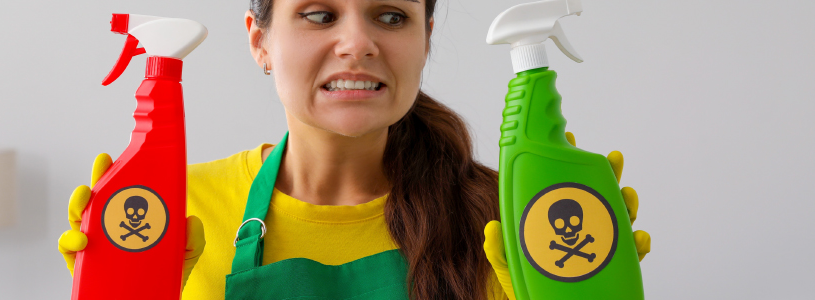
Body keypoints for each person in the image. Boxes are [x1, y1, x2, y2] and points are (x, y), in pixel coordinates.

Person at [58, 0, 651, 299]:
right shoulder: (171, 213)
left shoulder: (507, 219)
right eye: (320, 15)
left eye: (390, 16)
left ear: (425, 40)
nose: (358, 43)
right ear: (260, 41)